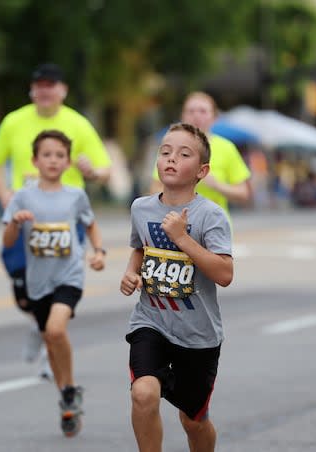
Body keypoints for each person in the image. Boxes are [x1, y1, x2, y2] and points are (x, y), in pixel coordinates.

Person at [0, 63, 112, 375]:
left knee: (59, 284)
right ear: (32, 90)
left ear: (62, 90)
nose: (45, 91)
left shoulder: (78, 124)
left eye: (51, 85)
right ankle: (39, 325)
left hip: (65, 219)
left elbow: (104, 169)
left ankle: (48, 343)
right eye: (39, 85)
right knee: (23, 287)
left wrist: (92, 172)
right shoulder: (14, 120)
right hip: (26, 217)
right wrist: (4, 194)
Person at [121, 122, 234, 452]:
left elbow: (225, 273)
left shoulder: (210, 216)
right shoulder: (141, 208)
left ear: (202, 170)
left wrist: (182, 239)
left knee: (193, 422)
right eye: (165, 152)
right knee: (143, 393)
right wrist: (131, 273)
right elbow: (140, 248)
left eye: (183, 154)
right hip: (151, 322)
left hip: (198, 336)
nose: (171, 159)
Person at [1, 129, 106, 436]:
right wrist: (17, 223)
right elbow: (8, 240)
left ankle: (69, 388)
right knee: (50, 337)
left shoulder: (75, 195)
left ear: (68, 162)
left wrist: (98, 251)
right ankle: (67, 396)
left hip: (69, 275)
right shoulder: (23, 196)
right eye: (47, 155)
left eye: (60, 155)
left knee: (56, 329)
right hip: (38, 281)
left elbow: (90, 223)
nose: (53, 160)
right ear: (35, 160)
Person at [149, 91, 251, 216]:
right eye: (191, 111)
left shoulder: (226, 147)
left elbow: (244, 193)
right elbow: (155, 189)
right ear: (183, 116)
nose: (196, 116)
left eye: (203, 111)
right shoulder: (171, 146)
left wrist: (216, 185)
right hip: (179, 225)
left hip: (215, 226)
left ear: (214, 117)